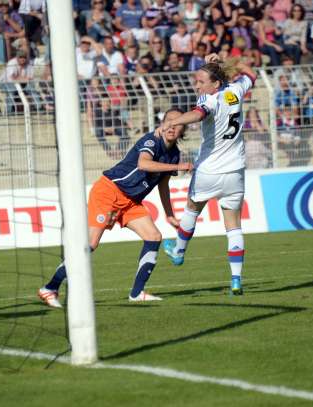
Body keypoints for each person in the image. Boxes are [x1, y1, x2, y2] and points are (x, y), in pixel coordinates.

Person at [37, 108, 193, 308]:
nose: (172, 125)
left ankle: (137, 294)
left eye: (178, 123)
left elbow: (163, 185)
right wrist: (178, 167)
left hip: (130, 201)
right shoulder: (150, 141)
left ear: (184, 129)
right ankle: (49, 288)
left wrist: (170, 215)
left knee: (154, 236)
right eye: (169, 121)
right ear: (161, 124)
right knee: (90, 243)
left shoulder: (174, 154)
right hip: (109, 191)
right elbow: (144, 164)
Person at [159, 54, 257, 296]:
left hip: (209, 170)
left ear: (215, 85)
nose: (197, 85)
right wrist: (224, 61)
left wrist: (172, 122)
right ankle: (236, 279)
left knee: (192, 208)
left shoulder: (209, 99)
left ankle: (179, 252)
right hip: (235, 171)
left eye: (201, 81)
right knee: (233, 226)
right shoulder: (236, 90)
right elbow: (251, 74)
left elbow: (198, 114)